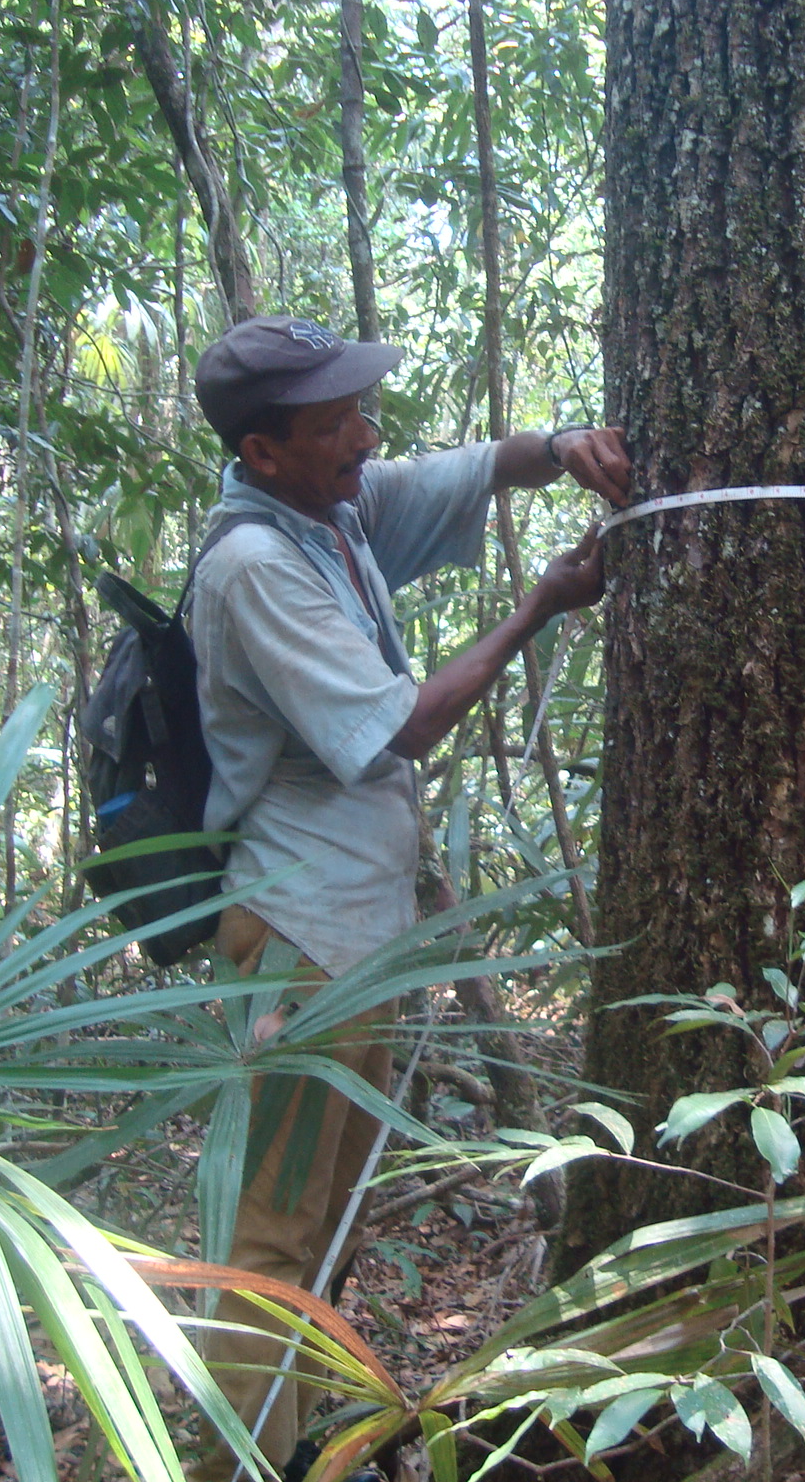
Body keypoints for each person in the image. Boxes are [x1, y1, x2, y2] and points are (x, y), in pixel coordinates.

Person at [185, 315, 630, 1480]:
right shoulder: (253, 568)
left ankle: (294, 1448)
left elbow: (465, 470)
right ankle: (230, 1463)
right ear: (262, 451)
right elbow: (402, 726)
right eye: (336, 425)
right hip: (295, 941)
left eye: (359, 415)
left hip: (356, 942)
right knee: (270, 1236)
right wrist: (536, 609)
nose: (365, 438)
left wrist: (560, 444)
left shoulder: (331, 512)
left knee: (325, 1220)